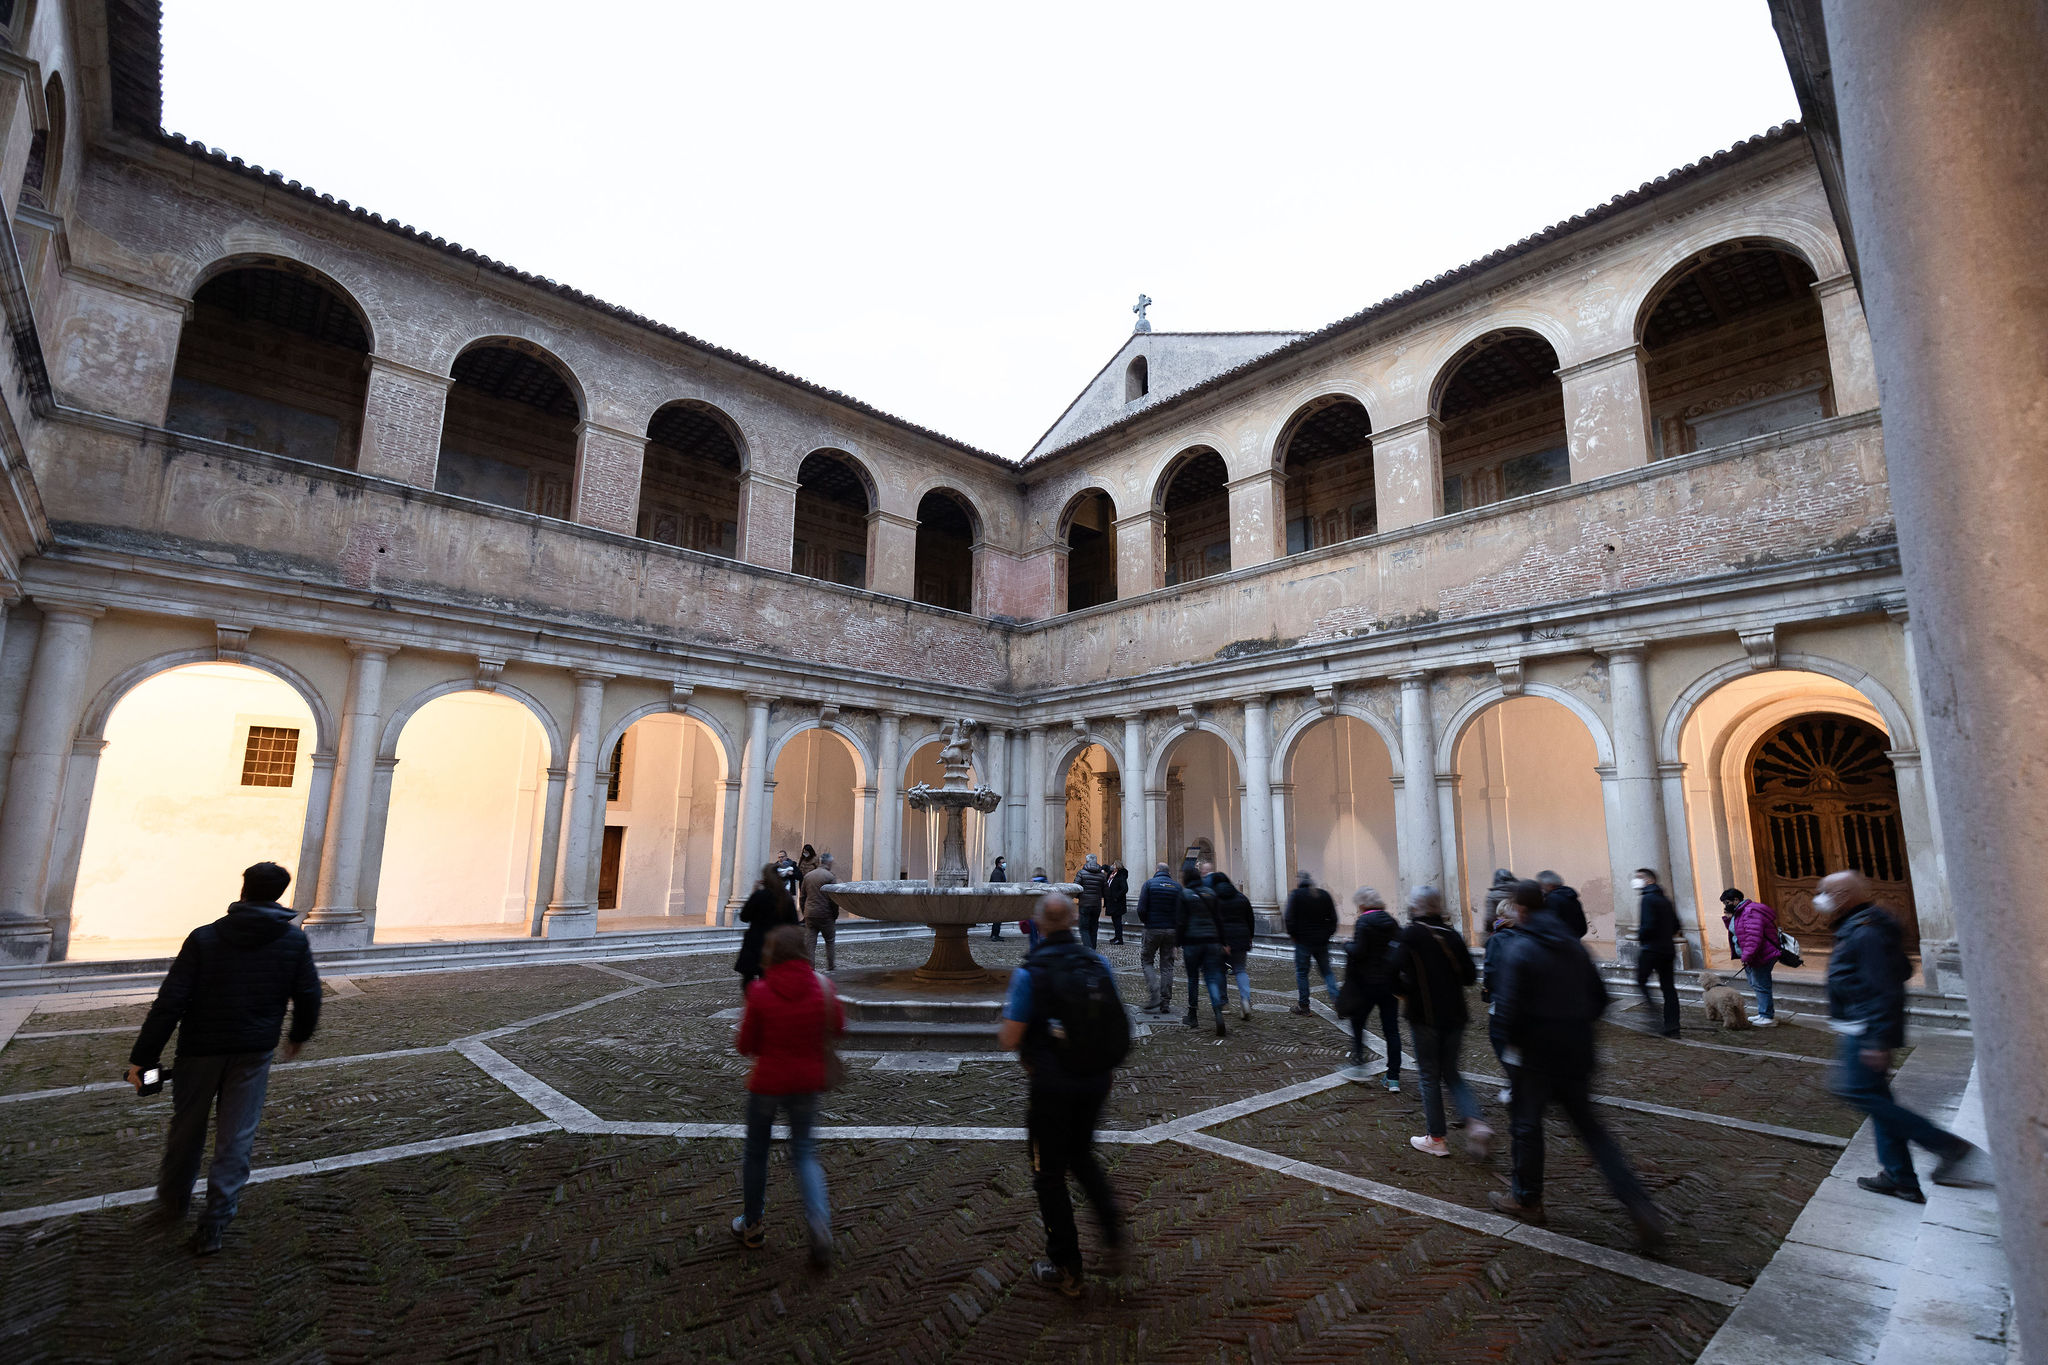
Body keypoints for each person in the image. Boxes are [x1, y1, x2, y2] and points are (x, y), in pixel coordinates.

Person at [125, 861, 322, 1255]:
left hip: (199, 1050)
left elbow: (171, 1002)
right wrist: (297, 1036)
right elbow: (309, 994)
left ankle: (173, 1201)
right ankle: (214, 1224)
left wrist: (143, 1057)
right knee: (237, 1138)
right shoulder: (293, 941)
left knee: (186, 1131)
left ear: (244, 890)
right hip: (254, 1050)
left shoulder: (205, 938)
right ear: (279, 895)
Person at [1487, 880, 1664, 1248]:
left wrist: (1511, 1048)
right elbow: (1601, 999)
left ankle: (1526, 1199)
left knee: (1526, 1129)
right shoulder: (1573, 945)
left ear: (1520, 910)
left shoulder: (1521, 949)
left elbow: (1506, 1011)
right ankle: (1639, 1206)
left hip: (1534, 1057)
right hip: (1576, 1053)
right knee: (1594, 1134)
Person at [1819, 870, 1981, 1202]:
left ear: (1844, 897)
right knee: (1877, 1101)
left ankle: (1946, 1145)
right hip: (1859, 1025)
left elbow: (1883, 989)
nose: (1819, 898)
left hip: (1864, 1029)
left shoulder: (1866, 932)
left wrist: (1877, 1040)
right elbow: (1901, 970)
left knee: (1857, 1092)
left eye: (1827, 892)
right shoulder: (1862, 925)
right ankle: (1901, 1178)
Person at [998, 891, 1129, 1295]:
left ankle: (1067, 1265)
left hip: (1052, 1086)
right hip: (1094, 1080)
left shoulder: (1029, 973)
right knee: (1083, 1157)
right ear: (1073, 922)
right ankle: (1113, 1234)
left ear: (1038, 924)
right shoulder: (1097, 962)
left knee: (1048, 1175)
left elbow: (1009, 1038)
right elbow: (1117, 1021)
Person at [731, 924, 844, 1268]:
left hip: (767, 1083)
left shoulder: (761, 992)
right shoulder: (822, 987)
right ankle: (819, 1223)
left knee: (756, 1154)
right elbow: (838, 1027)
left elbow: (745, 1045)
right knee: (806, 1154)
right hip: (807, 1083)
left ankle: (752, 1224)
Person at [1390, 886, 1490, 1158]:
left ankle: (1436, 1138)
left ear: (1416, 907)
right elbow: (1470, 976)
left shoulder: (1412, 934)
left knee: (1429, 1076)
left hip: (1425, 1016)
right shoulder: (1452, 934)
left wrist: (1404, 990)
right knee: (1453, 1073)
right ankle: (1477, 1123)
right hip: (1455, 1015)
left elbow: (1392, 970)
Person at [1340, 887, 1402, 1088]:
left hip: (1366, 984)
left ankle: (1359, 1066)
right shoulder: (1391, 921)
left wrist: (1346, 945)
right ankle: (1393, 1077)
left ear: (1363, 904)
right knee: (1391, 1030)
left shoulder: (1364, 921)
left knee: (1358, 1025)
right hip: (1389, 983)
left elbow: (1358, 951)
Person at [1481, 889, 1527, 1103]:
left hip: (1502, 999)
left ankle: (1516, 1083)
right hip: (1525, 999)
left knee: (1500, 1040)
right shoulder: (1527, 935)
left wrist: (1488, 991)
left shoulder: (1496, 939)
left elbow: (1490, 970)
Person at [1175, 865, 1229, 1036]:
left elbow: (1181, 922)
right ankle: (1217, 1011)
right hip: (1212, 941)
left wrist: (1177, 944)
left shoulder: (1184, 894)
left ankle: (1192, 1015)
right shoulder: (1211, 893)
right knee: (1212, 977)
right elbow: (1219, 920)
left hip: (1192, 942)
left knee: (1193, 979)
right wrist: (1223, 942)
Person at [735, 862, 800, 991]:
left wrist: (753, 893)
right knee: (769, 981)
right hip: (775, 945)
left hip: (756, 944)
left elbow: (744, 917)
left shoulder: (760, 896)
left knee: (749, 982)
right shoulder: (785, 897)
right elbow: (794, 924)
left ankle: (753, 1006)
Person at [1723, 887, 1782, 1026]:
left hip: (1761, 954)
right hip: (1755, 955)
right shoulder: (1740, 912)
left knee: (1761, 984)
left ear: (1736, 900)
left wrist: (1747, 956)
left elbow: (1753, 937)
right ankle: (1763, 1013)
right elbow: (1738, 932)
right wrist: (1728, 919)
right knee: (1756, 984)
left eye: (1727, 902)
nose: (1726, 906)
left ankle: (1767, 1016)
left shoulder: (1749, 912)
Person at [1632, 868, 1680, 1038]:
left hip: (1651, 949)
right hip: (1667, 949)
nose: (1636, 881)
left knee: (1641, 980)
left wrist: (1641, 936)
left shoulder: (1648, 899)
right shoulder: (1664, 899)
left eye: (1639, 878)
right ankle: (1673, 1025)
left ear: (1649, 880)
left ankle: (1654, 1016)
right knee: (1668, 988)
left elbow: (1648, 925)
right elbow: (1676, 925)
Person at [1284, 870, 1340, 1015]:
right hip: (1321, 941)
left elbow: (1289, 919)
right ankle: (1337, 1001)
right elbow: (1333, 918)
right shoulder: (1323, 894)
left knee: (1302, 973)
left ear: (1299, 881)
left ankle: (1304, 1006)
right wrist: (1327, 934)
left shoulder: (1296, 895)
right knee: (1327, 971)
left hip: (1303, 941)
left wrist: (1294, 936)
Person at [1210, 867, 1257, 1021]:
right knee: (1240, 969)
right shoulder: (1242, 898)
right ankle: (1245, 999)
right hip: (1241, 937)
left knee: (1219, 970)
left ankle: (1224, 1004)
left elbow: (1214, 922)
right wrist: (1250, 936)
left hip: (1222, 940)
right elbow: (1250, 920)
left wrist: (1222, 942)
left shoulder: (1214, 899)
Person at [1134, 862, 1181, 1014]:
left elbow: (1141, 908)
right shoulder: (1176, 887)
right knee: (1167, 965)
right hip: (1171, 930)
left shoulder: (1149, 884)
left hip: (1153, 928)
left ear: (1156, 871)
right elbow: (1181, 912)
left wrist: (1147, 922)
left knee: (1147, 960)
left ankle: (1154, 994)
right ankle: (1165, 1002)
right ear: (1168, 872)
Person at [801, 852, 840, 972]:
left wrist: (804, 911)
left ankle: (810, 968)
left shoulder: (808, 876)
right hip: (825, 914)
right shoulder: (830, 877)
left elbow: (802, 897)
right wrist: (835, 914)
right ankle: (831, 966)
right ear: (829, 862)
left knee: (810, 943)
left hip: (810, 913)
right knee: (829, 941)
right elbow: (834, 898)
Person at [1535, 870, 1588, 939]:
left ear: (1549, 885)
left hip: (1561, 943)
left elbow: (1550, 925)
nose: (1541, 888)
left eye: (1541, 885)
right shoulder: (1571, 896)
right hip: (1574, 941)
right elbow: (1582, 926)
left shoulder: (1552, 899)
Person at [1075, 854, 1108, 949]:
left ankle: (1088, 948)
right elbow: (1106, 891)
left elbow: (1075, 888)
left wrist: (1080, 897)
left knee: (1084, 928)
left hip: (1084, 904)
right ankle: (1093, 948)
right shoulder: (1102, 876)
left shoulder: (1081, 873)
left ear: (1087, 861)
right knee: (1094, 927)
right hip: (1096, 904)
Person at [1105, 862, 1130, 945]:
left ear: (1118, 867)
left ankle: (1119, 939)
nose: (1112, 866)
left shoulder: (1120, 876)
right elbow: (1106, 867)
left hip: (1117, 903)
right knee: (1115, 921)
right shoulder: (1112, 874)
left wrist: (1116, 897)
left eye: (1114, 865)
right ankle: (1117, 937)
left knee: (1117, 921)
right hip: (1112, 902)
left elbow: (1125, 889)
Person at [988, 856, 1010, 937]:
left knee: (998, 917)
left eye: (1005, 862)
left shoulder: (999, 871)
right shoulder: (997, 873)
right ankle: (994, 935)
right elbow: (997, 886)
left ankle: (995, 934)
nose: (1005, 864)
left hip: (998, 898)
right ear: (998, 864)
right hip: (997, 899)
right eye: (1003, 862)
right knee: (997, 917)